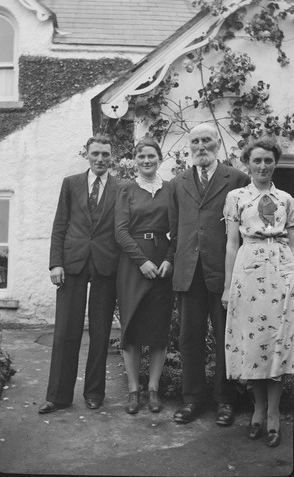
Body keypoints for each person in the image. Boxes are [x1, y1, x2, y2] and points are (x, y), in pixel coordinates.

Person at [169, 122, 250, 425]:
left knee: (224, 338)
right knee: (189, 337)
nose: (201, 146)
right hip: (189, 273)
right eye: (195, 142)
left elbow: (242, 230)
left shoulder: (237, 179)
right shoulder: (177, 183)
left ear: (218, 143)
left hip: (224, 272)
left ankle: (224, 399)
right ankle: (193, 399)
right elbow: (175, 229)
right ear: (188, 146)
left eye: (207, 140)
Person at [38, 134, 120, 414]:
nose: (100, 159)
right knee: (66, 330)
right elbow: (60, 224)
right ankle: (58, 396)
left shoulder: (121, 187)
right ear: (87, 154)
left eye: (105, 154)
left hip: (106, 263)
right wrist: (55, 263)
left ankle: (95, 392)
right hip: (72, 263)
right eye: (95, 153)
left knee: (100, 331)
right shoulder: (71, 184)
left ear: (112, 157)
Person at [222, 137, 294, 447]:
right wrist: (227, 286)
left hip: (281, 270)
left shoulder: (287, 199)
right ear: (247, 164)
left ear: (275, 162)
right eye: (257, 161)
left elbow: (291, 240)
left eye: (268, 160)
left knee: (277, 340)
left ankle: (275, 414)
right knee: (253, 341)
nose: (262, 166)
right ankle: (258, 409)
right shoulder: (236, 197)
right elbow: (231, 243)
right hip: (248, 270)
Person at [115, 137, 174, 415]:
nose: (146, 161)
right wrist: (142, 261)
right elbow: (120, 231)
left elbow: (180, 229)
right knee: (133, 328)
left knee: (158, 330)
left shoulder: (171, 190)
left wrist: (168, 260)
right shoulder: (126, 189)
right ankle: (133, 390)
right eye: (141, 157)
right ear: (135, 160)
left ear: (159, 158)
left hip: (162, 263)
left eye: (151, 156)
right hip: (133, 265)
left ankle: (153, 390)